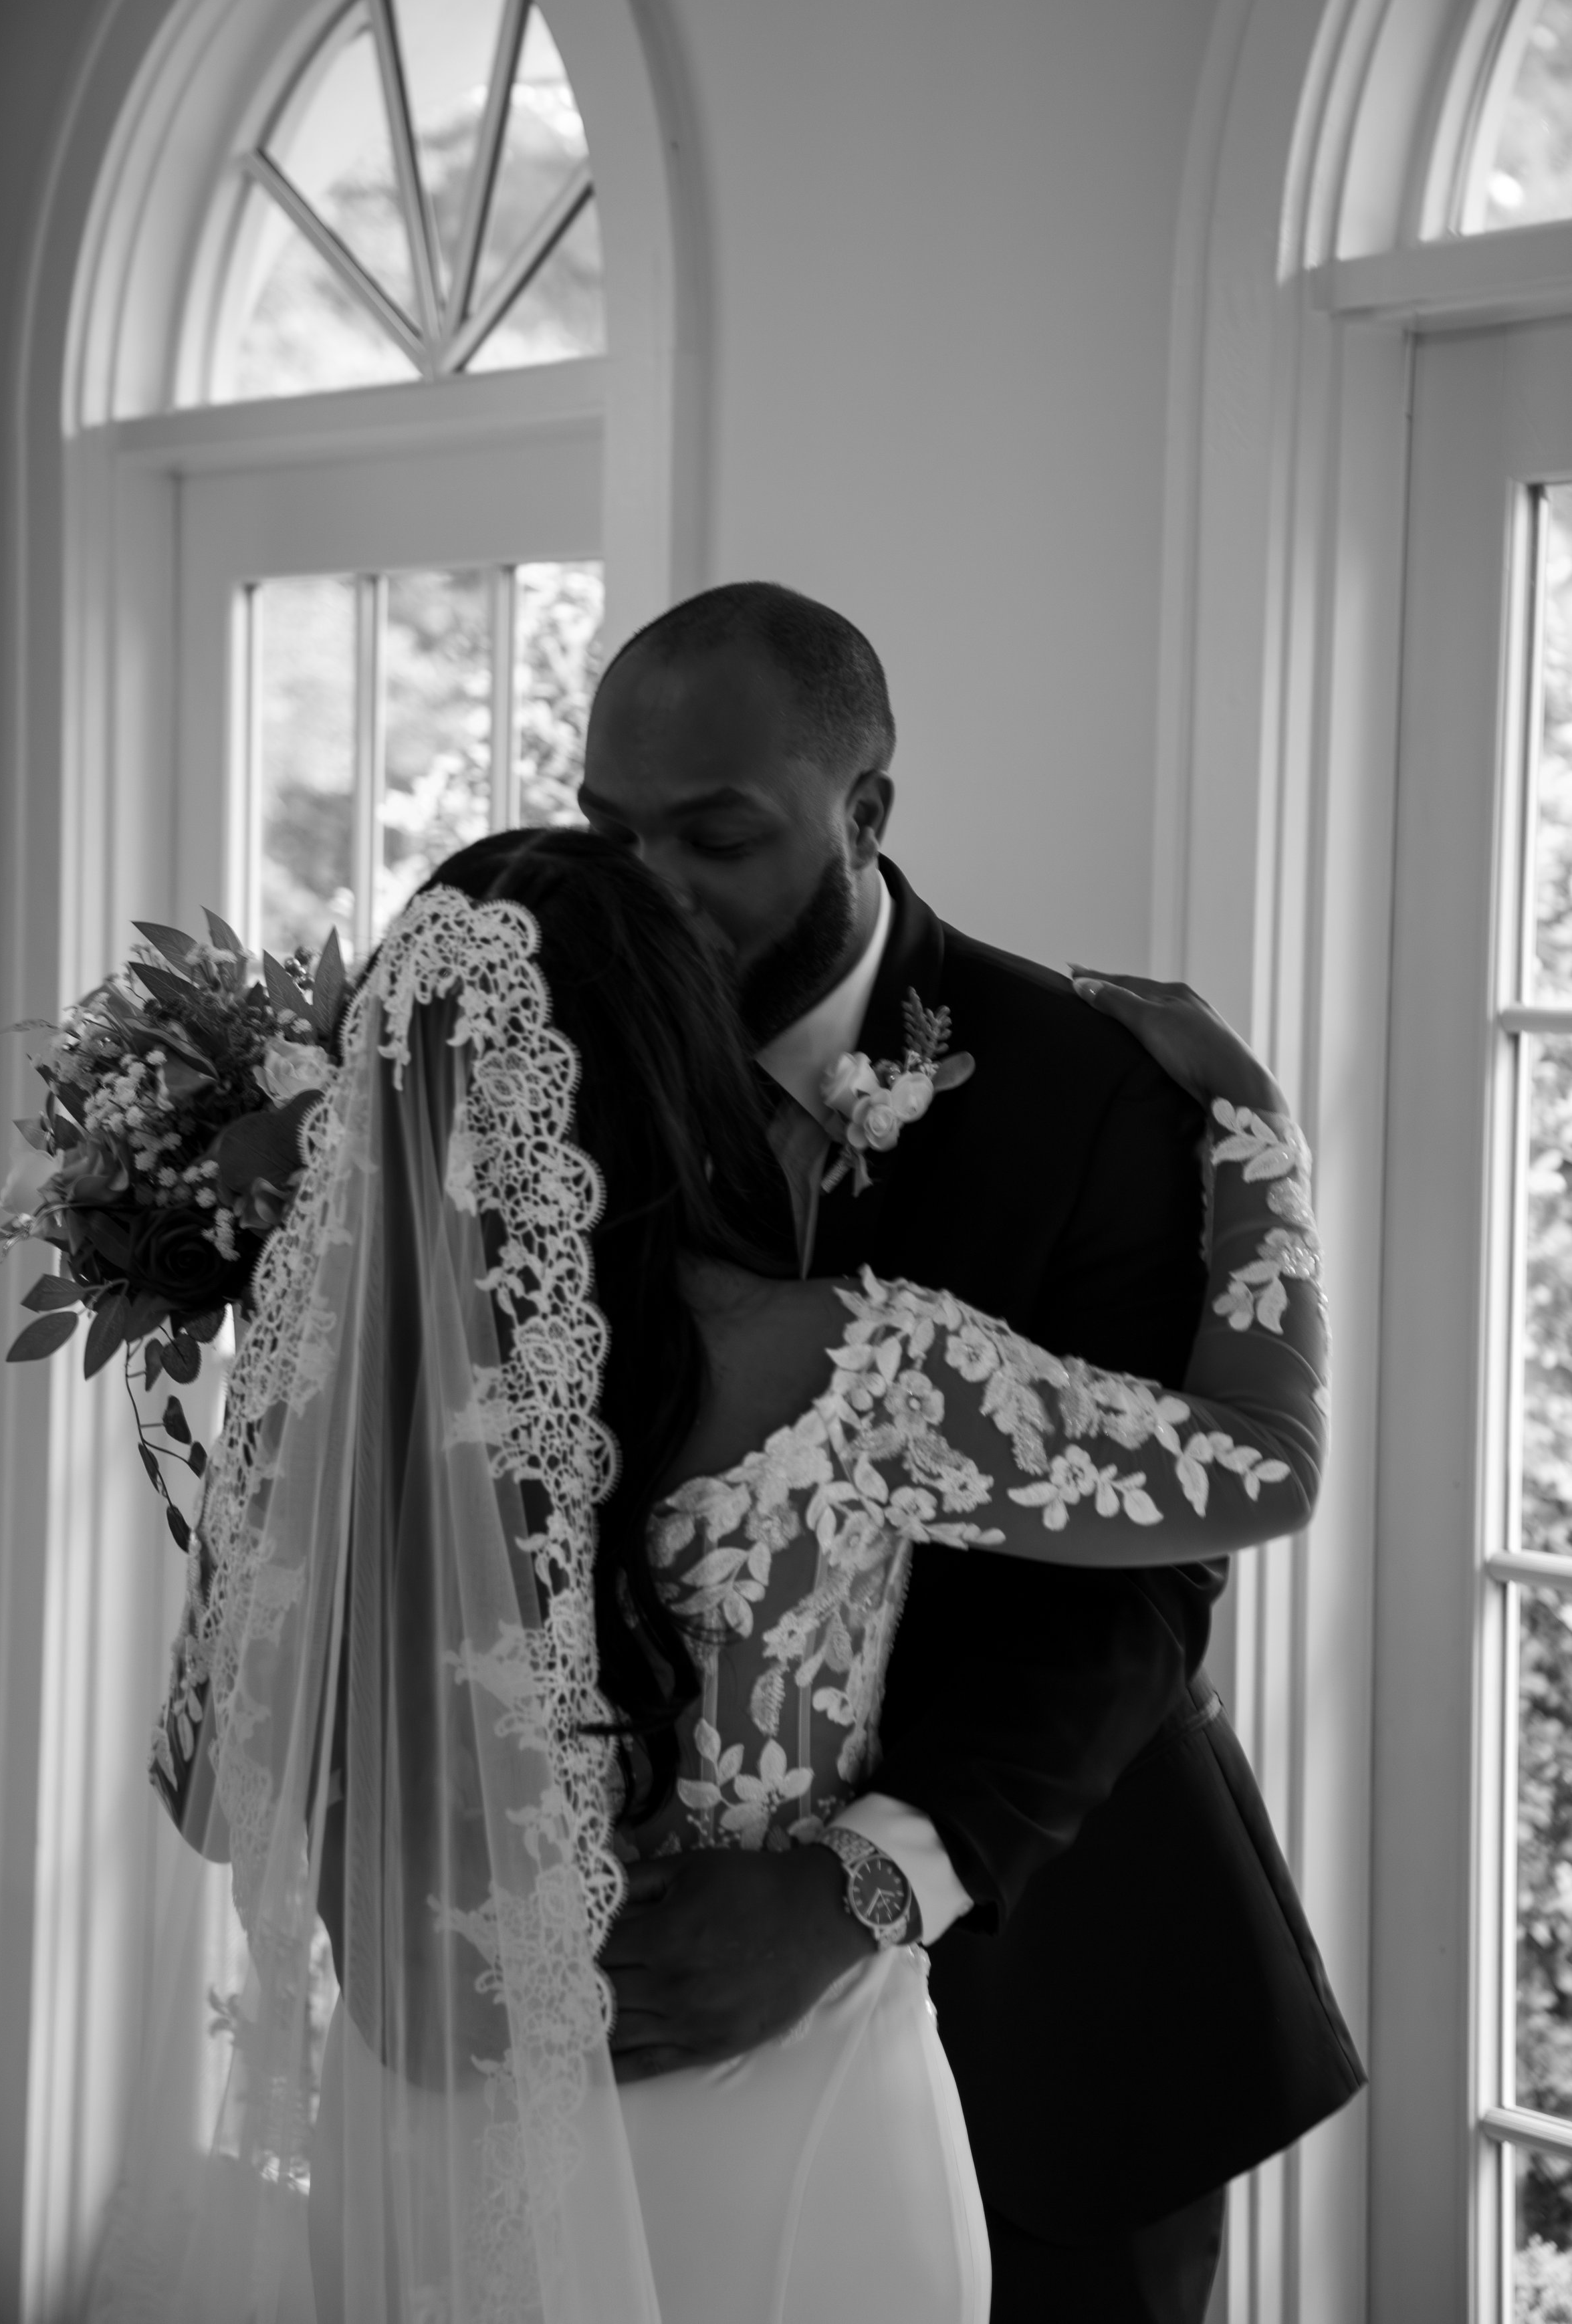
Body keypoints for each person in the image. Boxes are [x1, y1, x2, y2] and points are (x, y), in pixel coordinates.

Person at [104, 822, 1349, 2324]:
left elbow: (212, 1800)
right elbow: (1264, 1465)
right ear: (675, 1062)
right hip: (775, 2129)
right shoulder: (852, 1363)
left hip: (421, 2141)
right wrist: (1254, 1126)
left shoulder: (310, 1399)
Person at [573, 583, 1363, 2322]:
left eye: (712, 834)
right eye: (605, 832)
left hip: (1051, 1974)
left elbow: (1144, 1579)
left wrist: (868, 1876)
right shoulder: (529, 1058)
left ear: (865, 812)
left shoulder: (1080, 1091)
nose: (649, 889)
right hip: (616, 1991)